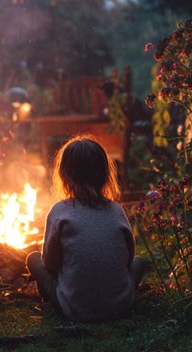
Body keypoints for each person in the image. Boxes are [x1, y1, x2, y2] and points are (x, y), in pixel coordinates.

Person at [26, 135, 146, 322]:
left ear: (64, 175)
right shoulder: (116, 209)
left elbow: (50, 263)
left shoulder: (60, 211)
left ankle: (52, 298)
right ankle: (114, 296)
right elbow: (129, 258)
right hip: (122, 306)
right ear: (105, 174)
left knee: (33, 259)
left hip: (74, 309)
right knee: (139, 262)